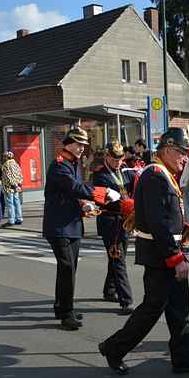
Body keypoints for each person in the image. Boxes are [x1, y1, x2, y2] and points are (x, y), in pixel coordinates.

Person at [99, 127, 189, 376]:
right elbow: (157, 222)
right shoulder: (155, 175)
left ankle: (183, 357)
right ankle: (114, 348)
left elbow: (165, 215)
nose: (185, 158)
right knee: (152, 309)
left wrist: (185, 228)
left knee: (179, 308)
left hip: (168, 251)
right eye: (182, 153)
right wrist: (175, 259)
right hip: (161, 256)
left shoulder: (164, 174)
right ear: (168, 150)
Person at [43, 127, 121, 331]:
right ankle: (66, 314)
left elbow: (72, 194)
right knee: (67, 267)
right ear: (67, 143)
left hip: (72, 224)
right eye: (78, 144)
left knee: (69, 269)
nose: (81, 148)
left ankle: (62, 308)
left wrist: (83, 205)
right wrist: (101, 193)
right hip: (59, 226)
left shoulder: (73, 164)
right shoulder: (59, 165)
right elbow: (74, 187)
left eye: (83, 145)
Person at [92, 140, 136, 315]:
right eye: (114, 158)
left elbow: (135, 186)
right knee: (118, 258)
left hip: (125, 221)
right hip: (110, 222)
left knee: (118, 256)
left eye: (120, 158)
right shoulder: (100, 175)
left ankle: (109, 290)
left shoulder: (126, 171)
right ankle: (126, 301)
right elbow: (100, 198)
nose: (118, 161)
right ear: (107, 156)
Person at [1, 151, 24, 227]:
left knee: (10, 203)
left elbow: (8, 176)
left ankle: (11, 220)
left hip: (9, 187)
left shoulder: (6, 165)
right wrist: (19, 184)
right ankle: (19, 218)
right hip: (16, 186)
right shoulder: (15, 164)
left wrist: (13, 185)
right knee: (17, 202)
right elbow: (20, 173)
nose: (3, 158)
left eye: (4, 157)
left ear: (6, 157)